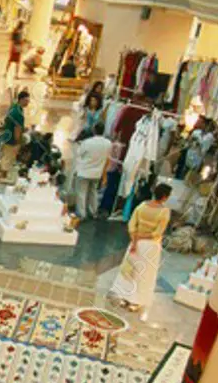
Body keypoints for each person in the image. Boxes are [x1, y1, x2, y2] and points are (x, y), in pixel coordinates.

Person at [109, 182, 173, 313]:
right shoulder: (164, 212)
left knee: (130, 270)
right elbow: (157, 233)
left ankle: (124, 296)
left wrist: (135, 238)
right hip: (150, 246)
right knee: (144, 274)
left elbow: (132, 224)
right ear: (165, 197)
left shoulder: (142, 206)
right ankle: (136, 301)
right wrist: (142, 237)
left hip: (135, 243)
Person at [72, 123, 113, 220]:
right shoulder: (108, 143)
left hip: (84, 171)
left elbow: (79, 154)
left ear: (94, 130)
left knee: (81, 193)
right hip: (97, 173)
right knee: (93, 193)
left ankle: (82, 214)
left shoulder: (87, 142)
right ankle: (93, 212)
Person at [0, 90, 29, 182]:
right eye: (26, 100)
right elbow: (17, 128)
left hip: (6, 135)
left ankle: (0, 172)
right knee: (9, 157)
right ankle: (3, 176)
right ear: (21, 100)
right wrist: (18, 141)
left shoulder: (14, 108)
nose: (28, 103)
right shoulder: (18, 113)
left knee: (4, 155)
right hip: (11, 138)